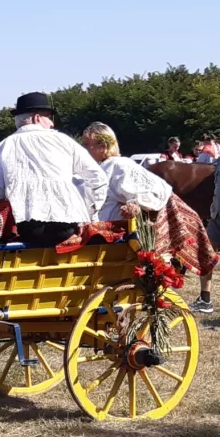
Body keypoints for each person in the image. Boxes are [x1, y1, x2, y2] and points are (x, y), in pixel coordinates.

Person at [83, 122, 217, 313]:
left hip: (113, 238)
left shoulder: (119, 166)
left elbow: (158, 193)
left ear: (103, 146)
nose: (85, 150)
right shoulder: (101, 167)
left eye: (88, 145)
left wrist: (136, 204)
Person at [0, 92, 108, 247]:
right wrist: (90, 211)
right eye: (48, 117)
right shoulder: (64, 141)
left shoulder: (4, 146)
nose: (51, 123)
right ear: (37, 118)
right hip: (67, 226)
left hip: (28, 227)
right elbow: (98, 179)